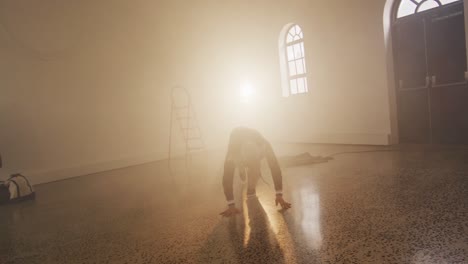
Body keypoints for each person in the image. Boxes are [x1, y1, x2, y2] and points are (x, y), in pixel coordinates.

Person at [220, 127, 291, 217]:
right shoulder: (233, 152)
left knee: (254, 172)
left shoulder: (265, 146)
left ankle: (251, 187)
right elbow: (227, 178)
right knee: (236, 166)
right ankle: (241, 169)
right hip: (239, 151)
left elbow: (275, 168)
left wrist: (279, 194)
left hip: (251, 153)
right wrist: (231, 204)